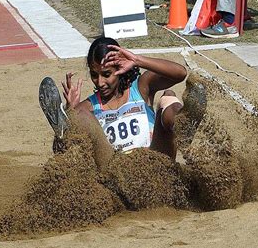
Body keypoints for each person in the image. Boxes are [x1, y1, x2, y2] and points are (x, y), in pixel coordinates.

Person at [39, 36, 187, 163]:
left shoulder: (141, 87)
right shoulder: (88, 106)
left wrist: (136, 60)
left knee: (168, 98)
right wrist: (70, 110)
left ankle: (187, 124)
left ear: (119, 68)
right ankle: (66, 123)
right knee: (80, 116)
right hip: (115, 173)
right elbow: (60, 152)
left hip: (154, 163)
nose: (100, 82)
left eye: (106, 74)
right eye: (94, 75)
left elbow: (180, 73)